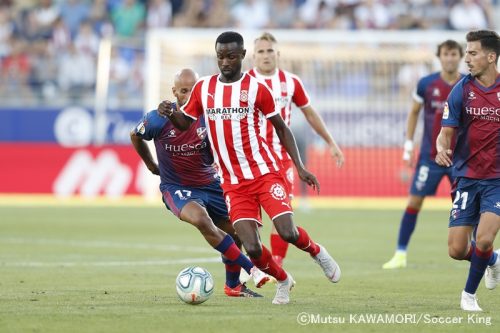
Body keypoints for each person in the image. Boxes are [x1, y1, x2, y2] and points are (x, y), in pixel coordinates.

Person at [159, 31, 341, 305]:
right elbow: (185, 123)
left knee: (287, 232)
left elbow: (282, 128)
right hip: (233, 183)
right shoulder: (204, 88)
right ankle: (283, 280)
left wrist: (299, 167)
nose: (225, 62)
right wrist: (170, 113)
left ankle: (317, 252)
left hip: (265, 173)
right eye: (221, 57)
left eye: (231, 56)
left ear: (243, 56)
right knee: (253, 249)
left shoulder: (257, 88)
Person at [130, 68, 269, 298]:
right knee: (202, 220)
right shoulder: (158, 118)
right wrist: (151, 165)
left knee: (238, 231)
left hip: (211, 184)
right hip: (178, 188)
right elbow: (135, 135)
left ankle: (233, 286)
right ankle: (252, 270)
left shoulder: (209, 116)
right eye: (183, 91)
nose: (189, 95)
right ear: (174, 92)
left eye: (193, 90)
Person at [247, 32, 344, 267]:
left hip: (281, 158)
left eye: (270, 50)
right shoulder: (245, 82)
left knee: (281, 215)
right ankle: (253, 267)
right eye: (261, 51)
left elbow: (310, 113)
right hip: (249, 158)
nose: (266, 55)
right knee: (249, 218)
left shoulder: (291, 82)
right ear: (253, 57)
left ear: (278, 54)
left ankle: (276, 265)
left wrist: (331, 142)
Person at [383, 40, 464, 269]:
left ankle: (477, 251)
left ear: (459, 56)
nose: (449, 58)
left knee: (467, 206)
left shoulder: (467, 84)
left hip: (460, 158)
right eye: (446, 54)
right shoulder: (426, 84)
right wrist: (408, 147)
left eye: (453, 54)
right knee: (414, 201)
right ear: (439, 57)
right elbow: (414, 114)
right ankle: (400, 253)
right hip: (430, 157)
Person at [435, 30, 500, 311]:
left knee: (484, 239)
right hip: (466, 177)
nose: (467, 58)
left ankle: (468, 296)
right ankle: (493, 261)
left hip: (497, 179)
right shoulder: (462, 89)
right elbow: (445, 132)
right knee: (456, 250)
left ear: (491, 56)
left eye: (472, 53)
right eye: (467, 52)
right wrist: (441, 147)